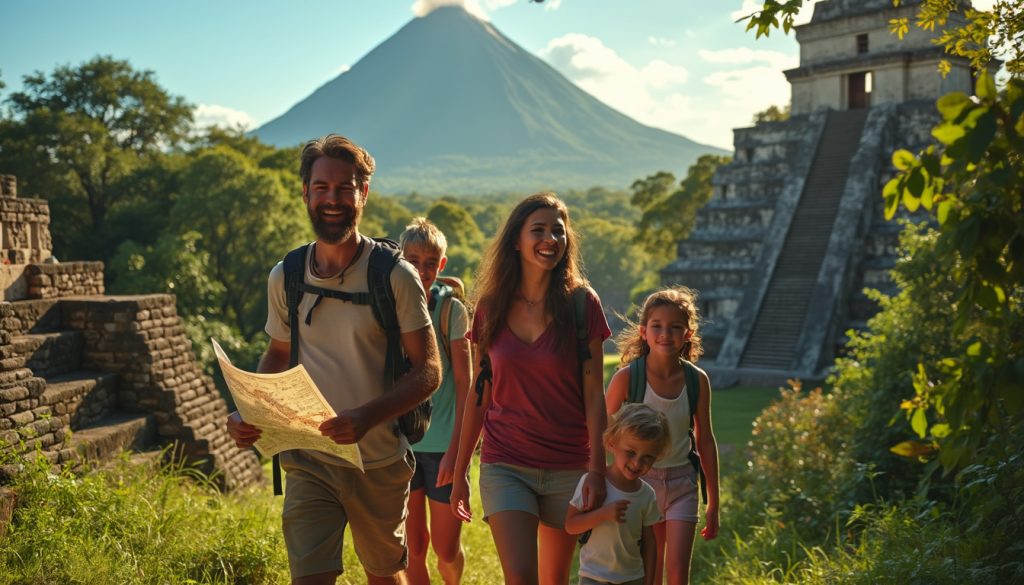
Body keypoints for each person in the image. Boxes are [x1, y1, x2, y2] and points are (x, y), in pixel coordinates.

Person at [225, 134, 442, 585]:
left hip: (377, 461)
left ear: (364, 194)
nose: (332, 199)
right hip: (309, 459)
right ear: (305, 192)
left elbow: (429, 370)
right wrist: (251, 411)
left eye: (345, 188)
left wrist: (366, 417)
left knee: (383, 575)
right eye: (322, 187)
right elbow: (278, 354)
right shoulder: (286, 275)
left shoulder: (395, 276)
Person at [449, 192, 611, 585]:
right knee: (520, 578)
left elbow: (595, 395)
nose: (550, 239)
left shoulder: (582, 304)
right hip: (506, 464)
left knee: (554, 580)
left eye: (558, 231)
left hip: (569, 465)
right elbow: (479, 395)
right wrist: (460, 472)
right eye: (538, 230)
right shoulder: (490, 307)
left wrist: (597, 470)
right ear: (516, 241)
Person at [605, 287, 720, 585]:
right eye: (657, 326)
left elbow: (705, 439)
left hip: (683, 484)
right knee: (650, 574)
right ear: (643, 331)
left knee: (678, 573)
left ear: (688, 333)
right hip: (641, 484)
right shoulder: (627, 378)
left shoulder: (697, 380)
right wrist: (607, 478)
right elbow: (603, 430)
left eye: (675, 327)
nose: (665, 334)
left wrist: (714, 503)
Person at [398, 218, 472, 585]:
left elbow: (466, 384)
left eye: (430, 263)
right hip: (404, 445)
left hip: (444, 447)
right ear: (401, 260)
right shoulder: (391, 308)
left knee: (446, 549)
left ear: (441, 264)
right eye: (413, 261)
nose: (422, 270)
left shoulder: (451, 311)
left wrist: (457, 453)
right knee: (414, 546)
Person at [565, 403, 670, 585]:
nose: (637, 463)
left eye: (648, 457)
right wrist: (602, 514)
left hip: (632, 578)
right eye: (631, 452)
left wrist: (649, 581)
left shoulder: (647, 495)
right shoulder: (593, 483)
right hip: (593, 576)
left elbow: (649, 543)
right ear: (612, 443)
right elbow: (571, 525)